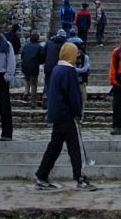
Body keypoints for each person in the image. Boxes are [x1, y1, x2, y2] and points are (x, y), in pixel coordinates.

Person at [34, 41, 97, 190]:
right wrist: (77, 112)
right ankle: (79, 178)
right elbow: (73, 95)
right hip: (66, 115)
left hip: (57, 114)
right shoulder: (69, 71)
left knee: (54, 147)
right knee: (74, 148)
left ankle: (41, 175)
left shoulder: (57, 69)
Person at [43, 28, 67, 100]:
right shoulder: (64, 44)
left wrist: (46, 61)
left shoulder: (49, 42)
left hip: (48, 66)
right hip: (59, 67)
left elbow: (42, 53)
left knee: (47, 82)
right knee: (58, 83)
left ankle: (46, 95)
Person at [20, 32, 43, 103]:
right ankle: (33, 101)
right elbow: (42, 58)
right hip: (34, 67)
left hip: (24, 66)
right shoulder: (39, 47)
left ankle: (26, 92)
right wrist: (39, 62)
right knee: (33, 84)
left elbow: (22, 56)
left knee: (27, 80)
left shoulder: (25, 46)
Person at [68, 36, 90, 107]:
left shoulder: (85, 57)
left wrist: (74, 69)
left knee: (82, 98)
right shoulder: (71, 57)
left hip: (82, 81)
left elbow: (85, 69)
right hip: (72, 81)